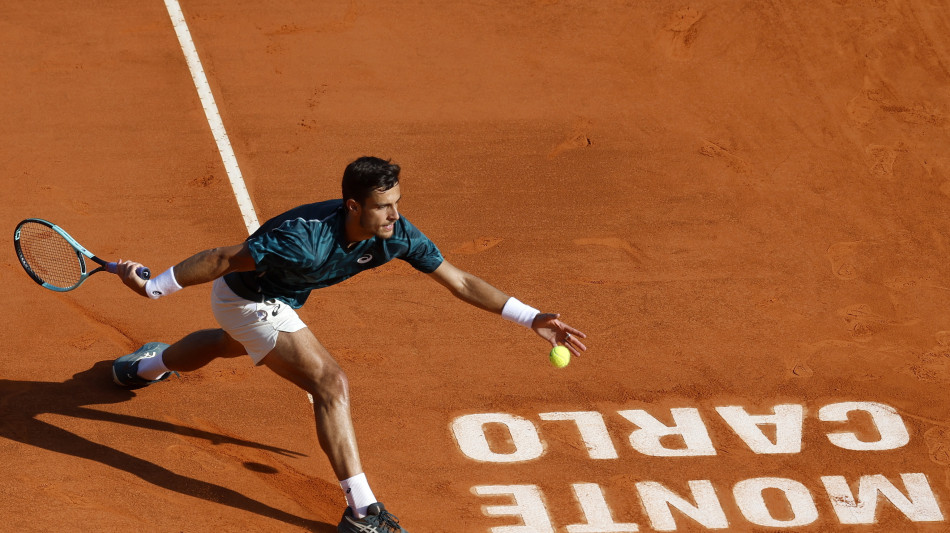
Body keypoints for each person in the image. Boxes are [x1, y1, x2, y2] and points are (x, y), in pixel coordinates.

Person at [112, 156, 588, 532]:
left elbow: (458, 281)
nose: (395, 215)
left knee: (227, 344)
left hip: (278, 299)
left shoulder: (395, 235)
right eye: (384, 206)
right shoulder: (303, 240)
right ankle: (362, 512)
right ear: (354, 206)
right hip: (249, 298)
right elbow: (220, 258)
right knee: (330, 382)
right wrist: (156, 287)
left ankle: (143, 367)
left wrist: (531, 318)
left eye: (397, 202)